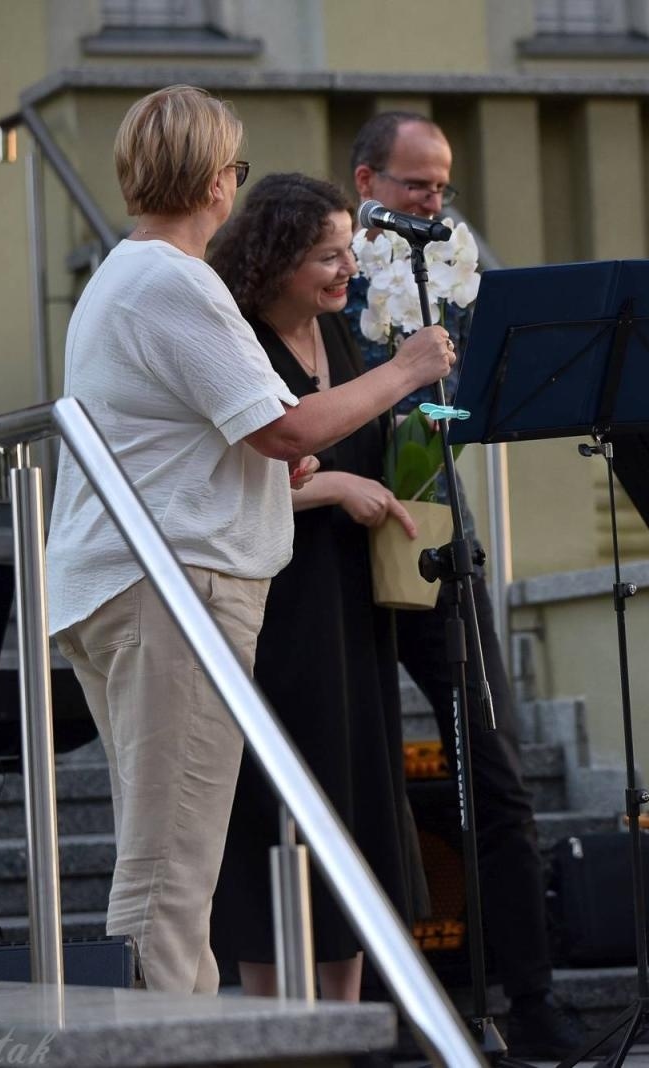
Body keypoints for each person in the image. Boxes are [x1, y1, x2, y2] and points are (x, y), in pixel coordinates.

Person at [45, 85, 454, 996]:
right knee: (171, 874)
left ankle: (182, 1043)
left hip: (129, 584)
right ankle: (162, 1055)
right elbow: (287, 430)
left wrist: (275, 470)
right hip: (176, 590)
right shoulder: (173, 278)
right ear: (218, 182)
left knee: (168, 859)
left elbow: (215, 439)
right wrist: (407, 368)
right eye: (232, 166)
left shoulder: (123, 274)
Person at [344, 110, 584, 1057]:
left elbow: (490, 385)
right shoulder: (332, 264)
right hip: (342, 534)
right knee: (364, 780)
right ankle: (388, 1013)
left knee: (494, 773)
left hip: (440, 528)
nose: (433, 199)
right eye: (414, 184)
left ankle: (530, 1001)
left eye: (441, 183)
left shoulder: (457, 263)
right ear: (368, 181)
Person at [208, 173, 427, 1002]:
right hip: (279, 605)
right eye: (325, 256)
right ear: (274, 262)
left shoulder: (334, 340)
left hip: (347, 597)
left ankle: (346, 1021)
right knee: (280, 804)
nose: (346, 270)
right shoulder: (242, 344)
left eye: (348, 251)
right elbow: (241, 475)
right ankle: (277, 1023)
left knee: (356, 793)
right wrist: (334, 488)